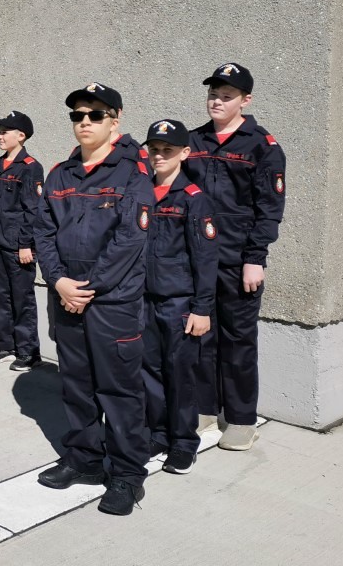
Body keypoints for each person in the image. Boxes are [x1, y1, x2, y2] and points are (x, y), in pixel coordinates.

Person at [34, 83, 153, 516]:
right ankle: (84, 459)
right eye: (77, 115)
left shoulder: (132, 173)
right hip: (66, 296)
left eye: (95, 114)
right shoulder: (60, 174)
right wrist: (59, 281)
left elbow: (129, 240)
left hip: (112, 303)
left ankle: (126, 475)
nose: (84, 122)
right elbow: (43, 231)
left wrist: (87, 288)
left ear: (115, 120)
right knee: (77, 385)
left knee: (119, 390)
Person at [184, 63, 286, 451]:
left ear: (246, 101)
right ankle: (205, 410)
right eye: (213, 94)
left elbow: (269, 207)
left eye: (226, 97)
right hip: (198, 259)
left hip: (238, 260)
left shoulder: (262, 146)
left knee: (239, 340)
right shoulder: (193, 141)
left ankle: (242, 419)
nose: (217, 102)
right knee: (201, 336)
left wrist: (255, 258)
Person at [141, 119, 218, 474]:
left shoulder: (193, 200)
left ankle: (185, 442)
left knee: (180, 374)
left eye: (167, 150)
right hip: (144, 300)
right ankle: (158, 434)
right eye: (154, 149)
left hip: (179, 303)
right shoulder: (142, 193)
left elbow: (206, 259)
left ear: (185, 153)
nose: (159, 156)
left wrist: (202, 309)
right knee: (149, 370)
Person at [0, 111, 45, 372]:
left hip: (18, 249)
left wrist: (26, 244)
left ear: (21, 136)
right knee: (0, 297)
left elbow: (33, 210)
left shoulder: (30, 167)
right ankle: (6, 347)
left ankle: (28, 352)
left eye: (5, 132)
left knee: (22, 299)